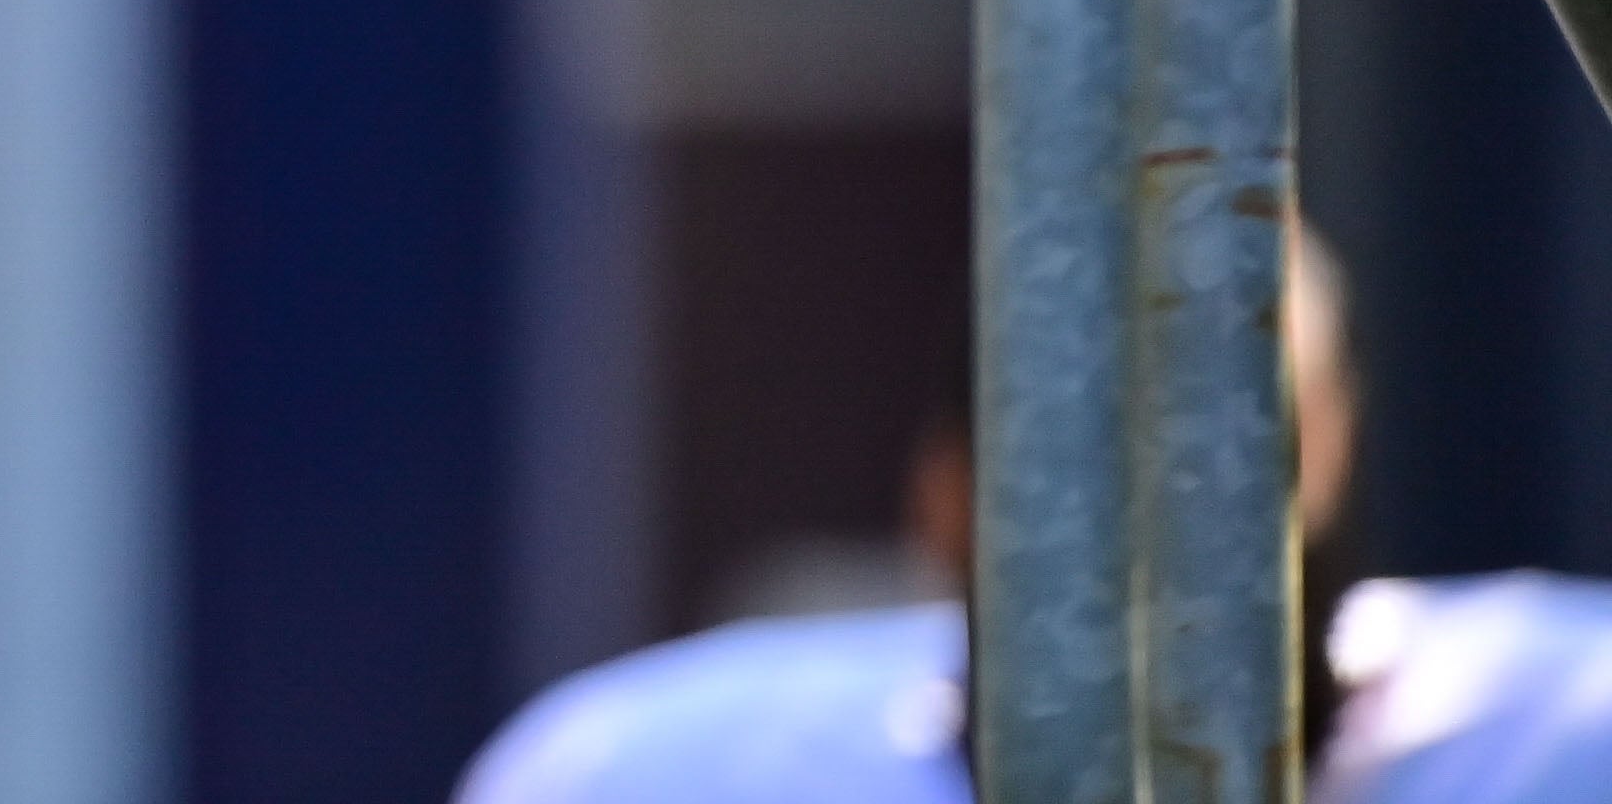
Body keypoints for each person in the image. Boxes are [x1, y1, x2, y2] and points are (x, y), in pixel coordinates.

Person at [460, 230, 1612, 804]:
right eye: (1103, 441)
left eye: (1250, 438)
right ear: (946, 488)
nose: (1184, 514)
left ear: (1336, 439)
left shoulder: (1572, 727)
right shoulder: (644, 771)